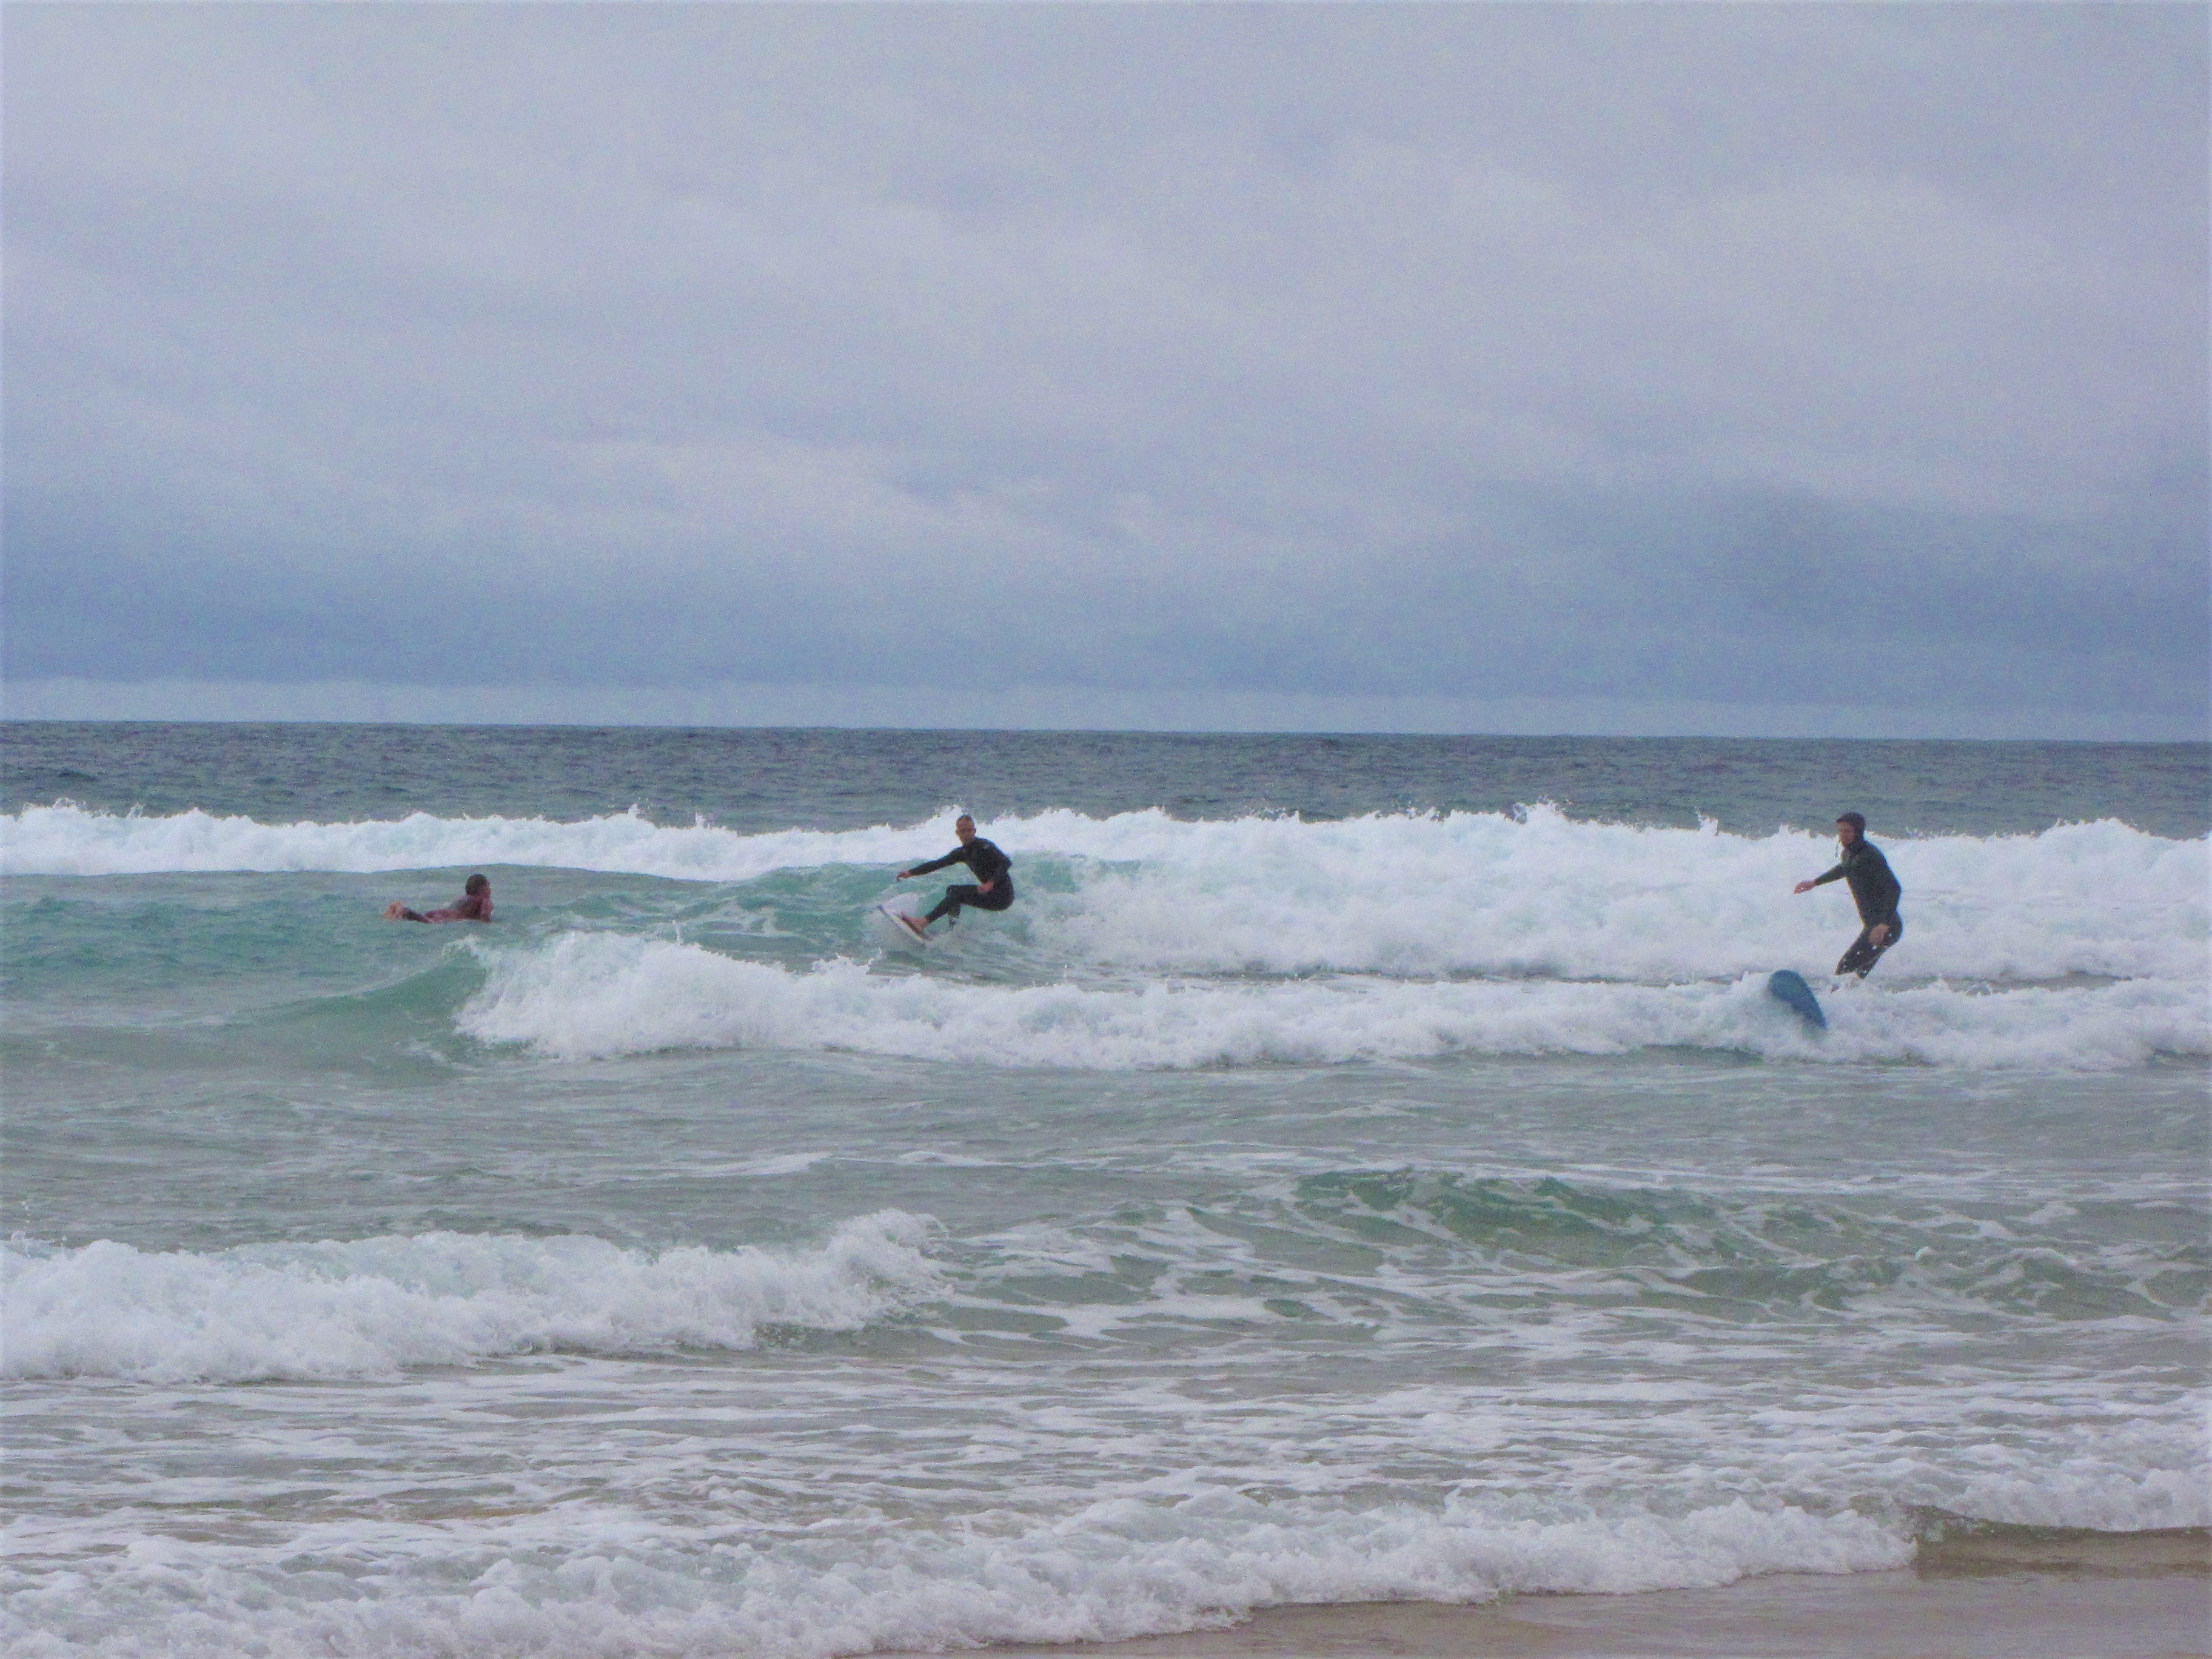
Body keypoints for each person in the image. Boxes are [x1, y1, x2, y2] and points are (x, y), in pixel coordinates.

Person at [1792, 813, 1902, 977]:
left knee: (1845, 969)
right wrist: (1815, 882)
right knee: (1855, 976)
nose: (1843, 835)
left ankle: (1837, 1000)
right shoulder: (1849, 855)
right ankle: (1856, 1002)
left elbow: (1894, 888)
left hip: (1886, 927)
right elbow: (1844, 869)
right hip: (1873, 927)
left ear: (1858, 832)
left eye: (1847, 831)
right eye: (1841, 831)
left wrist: (1883, 925)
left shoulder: (1871, 856)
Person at [894, 816, 1013, 937]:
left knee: (958, 894)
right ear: (957, 833)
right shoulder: (962, 853)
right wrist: (911, 873)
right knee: (952, 891)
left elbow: (1006, 862)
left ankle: (923, 922)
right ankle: (952, 930)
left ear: (974, 831)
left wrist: (990, 883)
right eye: (963, 831)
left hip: (1002, 897)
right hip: (990, 894)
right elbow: (937, 864)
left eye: (969, 831)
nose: (967, 834)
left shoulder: (985, 847)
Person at [385, 873, 493, 924]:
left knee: (422, 917)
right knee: (423, 921)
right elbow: (485, 916)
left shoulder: (463, 899)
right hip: (450, 917)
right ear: (482, 888)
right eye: (488, 885)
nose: (490, 889)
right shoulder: (483, 900)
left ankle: (398, 911)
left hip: (440, 912)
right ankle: (403, 911)